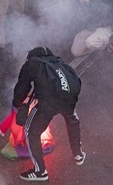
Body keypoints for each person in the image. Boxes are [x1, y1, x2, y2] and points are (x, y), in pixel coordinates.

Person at [12, 47, 85, 181]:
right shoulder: (59, 62)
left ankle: (40, 172)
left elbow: (22, 88)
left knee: (31, 131)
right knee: (72, 120)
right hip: (69, 97)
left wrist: (17, 103)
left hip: (49, 102)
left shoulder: (31, 64)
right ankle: (79, 155)